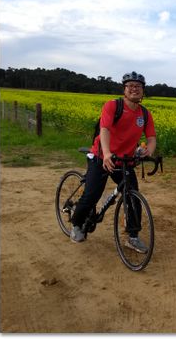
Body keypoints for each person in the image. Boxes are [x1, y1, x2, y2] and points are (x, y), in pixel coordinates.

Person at [70, 71, 157, 253]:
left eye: (138, 87)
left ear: (143, 91)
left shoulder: (145, 114)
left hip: (124, 161)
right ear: (124, 90)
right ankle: (76, 225)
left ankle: (133, 237)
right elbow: (105, 129)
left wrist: (149, 150)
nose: (135, 89)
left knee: (132, 196)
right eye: (130, 86)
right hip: (102, 158)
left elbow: (151, 137)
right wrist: (107, 153)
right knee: (92, 196)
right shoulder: (112, 106)